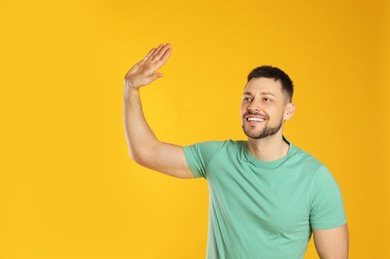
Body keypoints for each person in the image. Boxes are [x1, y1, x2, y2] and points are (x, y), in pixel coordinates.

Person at [123, 43, 348, 258]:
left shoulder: (315, 179)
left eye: (266, 99)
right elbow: (146, 151)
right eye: (247, 98)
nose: (253, 106)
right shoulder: (218, 157)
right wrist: (131, 88)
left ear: (288, 111)